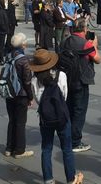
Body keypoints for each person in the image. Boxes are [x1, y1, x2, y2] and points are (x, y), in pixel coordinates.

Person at [30, 48, 84, 184]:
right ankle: (71, 178)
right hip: (62, 117)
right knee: (67, 148)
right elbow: (64, 95)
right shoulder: (61, 76)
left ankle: (48, 179)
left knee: (46, 148)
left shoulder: (35, 80)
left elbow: (37, 99)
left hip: (45, 118)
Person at [58, 18, 101, 152]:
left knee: (69, 109)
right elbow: (97, 59)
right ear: (84, 29)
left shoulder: (65, 41)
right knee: (79, 111)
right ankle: (75, 142)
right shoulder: (86, 44)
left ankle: (67, 136)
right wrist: (95, 46)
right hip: (81, 80)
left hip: (66, 79)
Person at [4, 33, 34, 158]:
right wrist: (30, 96)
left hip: (9, 92)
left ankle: (9, 148)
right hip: (21, 94)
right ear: (22, 44)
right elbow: (27, 81)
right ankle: (20, 150)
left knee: (12, 120)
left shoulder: (9, 56)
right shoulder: (23, 59)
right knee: (21, 122)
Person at [0, 0, 9, 65]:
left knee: (1, 45)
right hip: (2, 31)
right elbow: (1, 22)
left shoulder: (1, 10)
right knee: (1, 45)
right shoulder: (1, 11)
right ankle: (0, 59)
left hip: (1, 31)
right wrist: (5, 29)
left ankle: (0, 59)